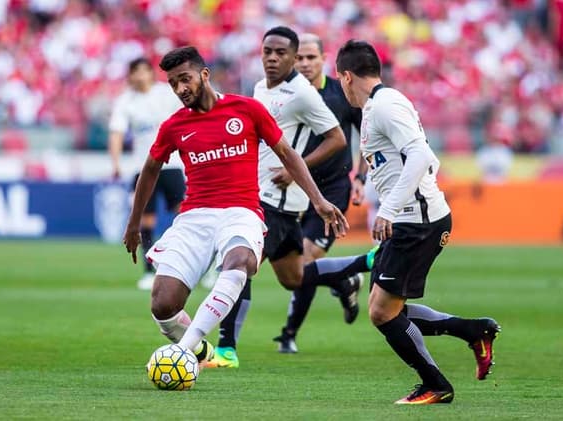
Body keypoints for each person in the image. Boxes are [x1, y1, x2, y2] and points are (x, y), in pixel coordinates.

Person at [122, 46, 348, 368]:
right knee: (162, 304)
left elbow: (287, 153)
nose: (180, 89)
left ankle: (183, 352)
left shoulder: (247, 109)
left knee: (240, 261)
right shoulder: (174, 126)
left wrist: (319, 200)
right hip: (195, 216)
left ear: (204, 74)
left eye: (185, 80)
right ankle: (201, 353)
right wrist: (133, 225)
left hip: (241, 211)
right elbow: (150, 169)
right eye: (173, 84)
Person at [335, 40, 500, 405]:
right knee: (387, 307)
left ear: (346, 77)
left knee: (381, 312)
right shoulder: (380, 106)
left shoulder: (385, 106)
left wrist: (389, 210)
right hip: (414, 220)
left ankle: (436, 385)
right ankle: (474, 331)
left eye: (340, 80)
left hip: (416, 222)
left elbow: (422, 155)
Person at [207, 27, 359, 368]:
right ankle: (354, 270)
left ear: (292, 57)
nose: (273, 59)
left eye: (281, 53)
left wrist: (296, 167)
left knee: (238, 267)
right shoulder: (261, 87)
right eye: (267, 52)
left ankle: (226, 350)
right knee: (294, 277)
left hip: (272, 199)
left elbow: (336, 138)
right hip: (273, 199)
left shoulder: (303, 94)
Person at [272, 33, 376, 353]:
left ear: (323, 59)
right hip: (291, 191)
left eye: (310, 58)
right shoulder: (282, 94)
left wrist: (359, 176)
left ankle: (289, 333)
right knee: (295, 268)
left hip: (330, 190)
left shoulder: (340, 95)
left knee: (302, 264)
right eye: (299, 58)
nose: (304, 64)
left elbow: (368, 134)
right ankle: (341, 280)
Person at [109, 57, 184, 290]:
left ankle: (196, 266)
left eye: (144, 71)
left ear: (152, 74)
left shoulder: (167, 94)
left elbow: (187, 119)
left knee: (185, 215)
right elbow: (117, 133)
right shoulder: (125, 101)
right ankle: (149, 271)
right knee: (146, 219)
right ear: (130, 76)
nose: (140, 76)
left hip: (172, 164)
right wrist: (116, 162)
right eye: (136, 71)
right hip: (142, 167)